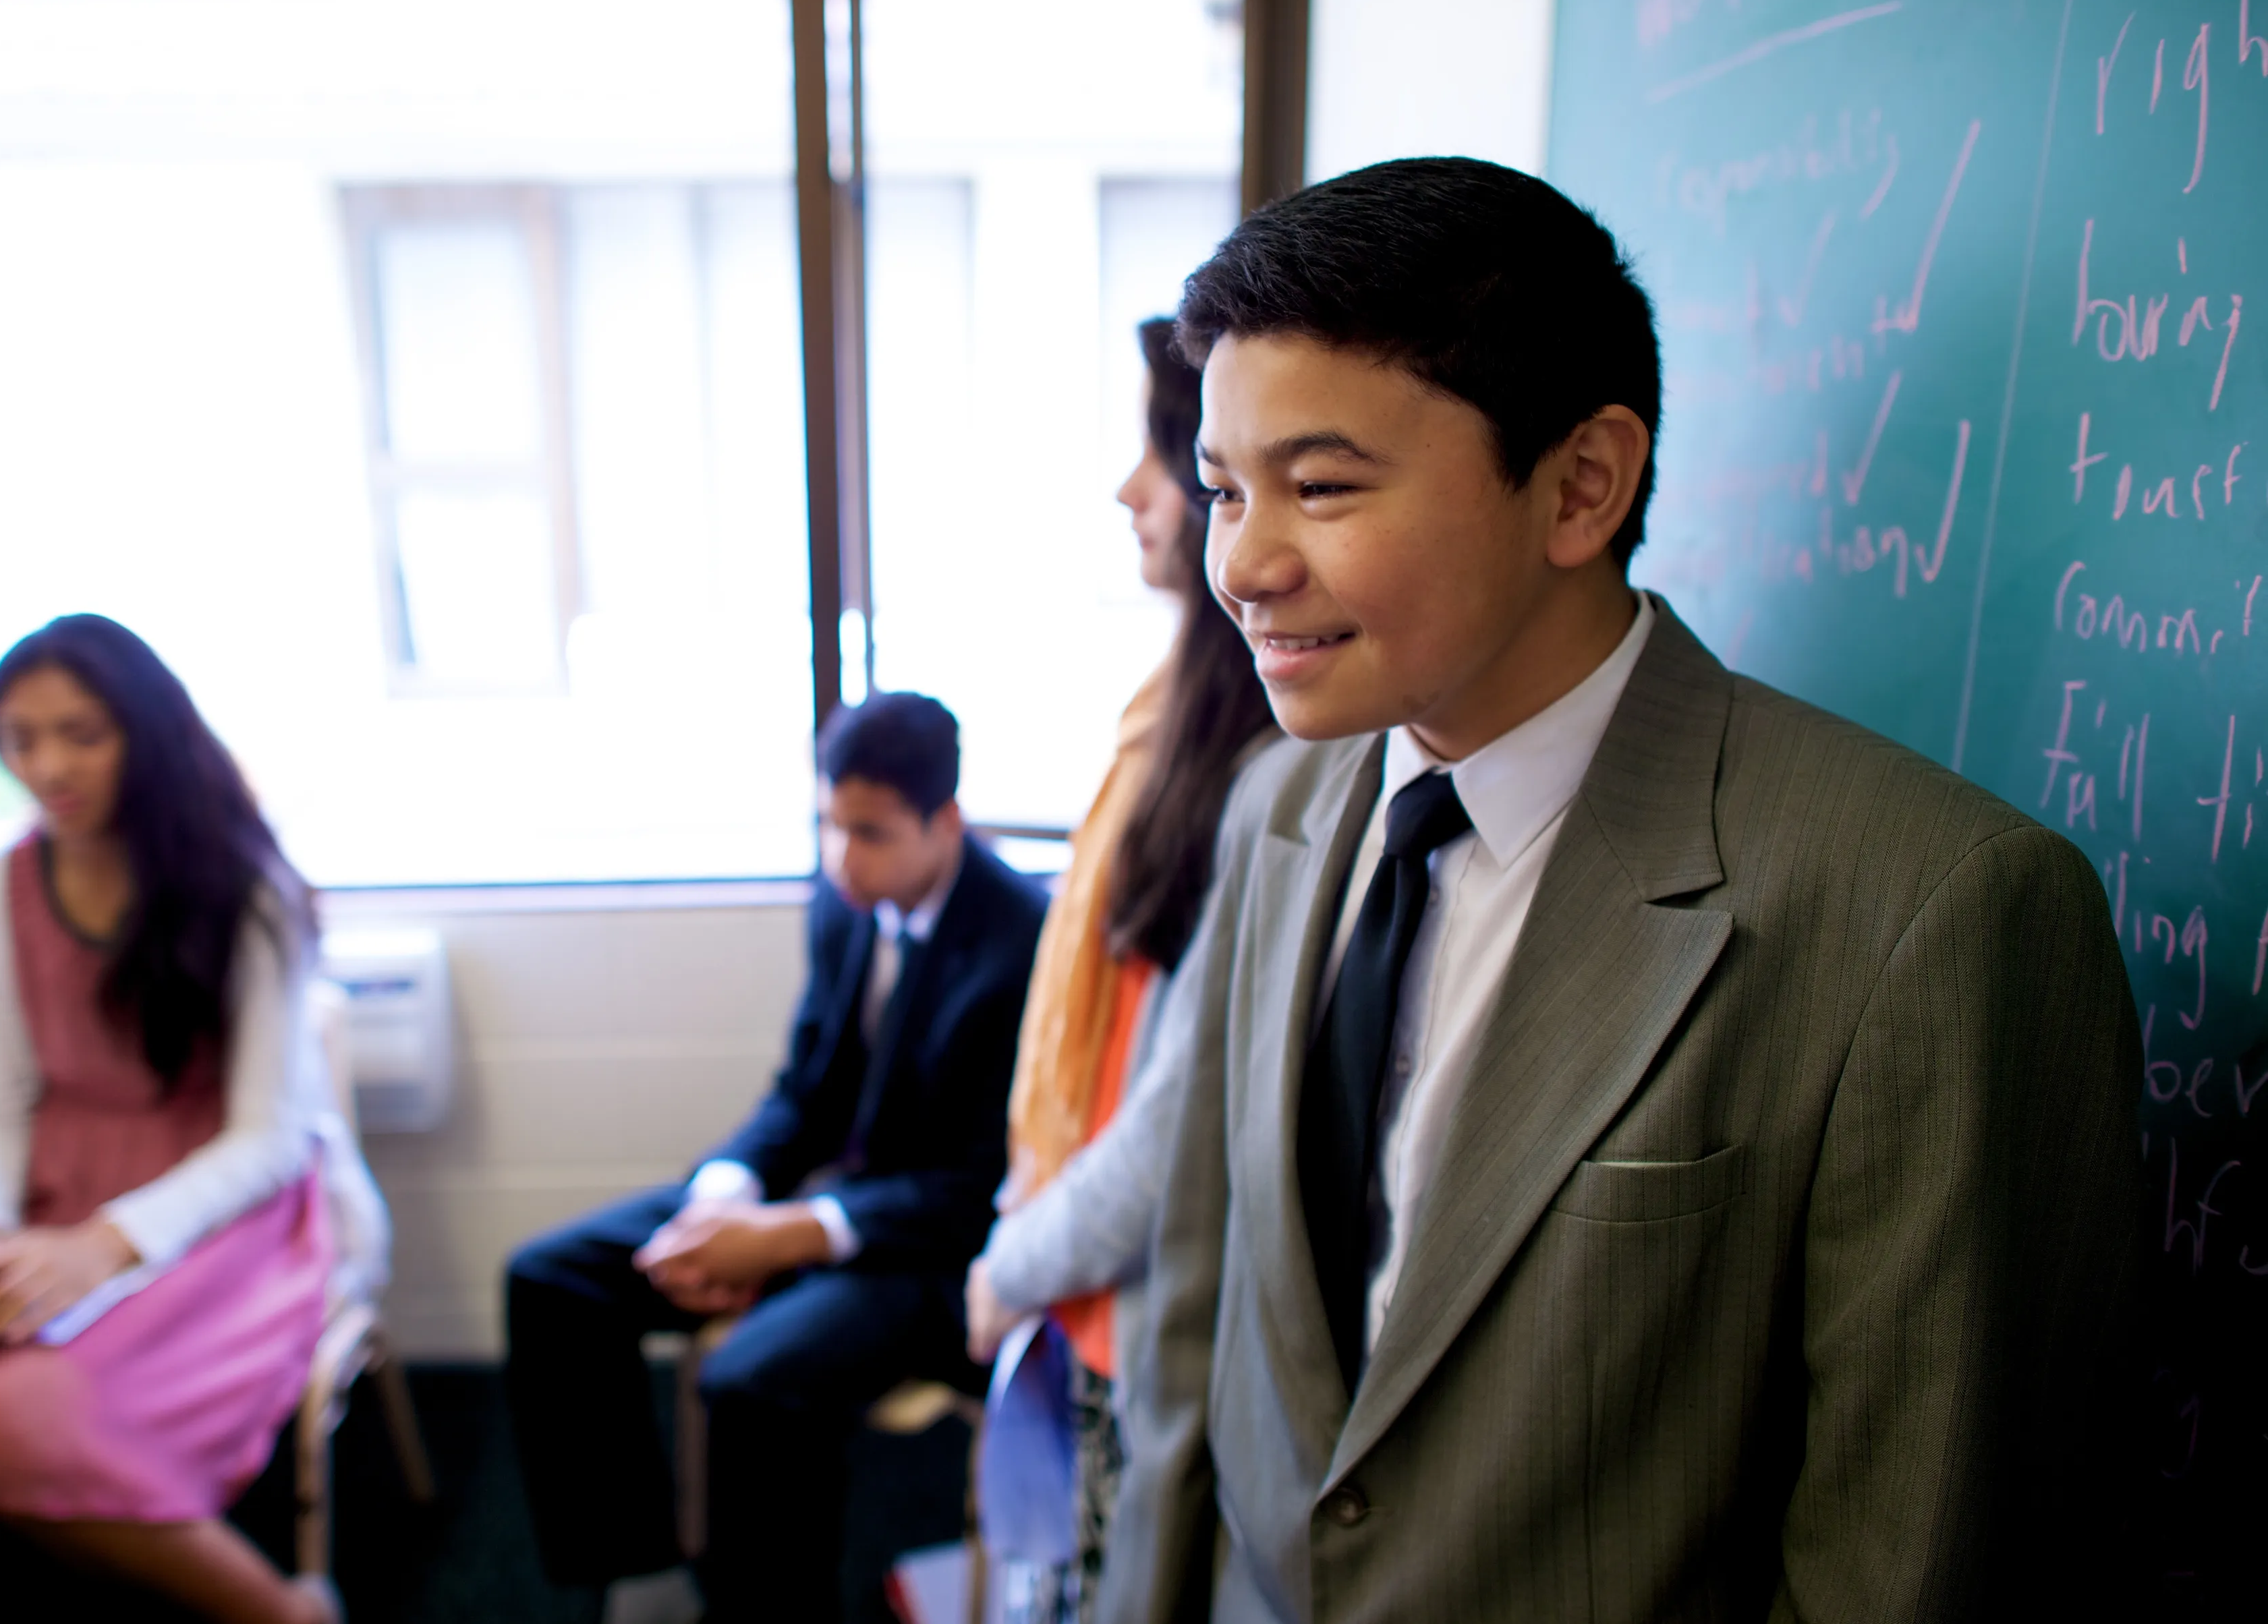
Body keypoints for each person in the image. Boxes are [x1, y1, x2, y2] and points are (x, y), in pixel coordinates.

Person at [1104, 158, 2142, 1622]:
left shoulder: (1930, 909)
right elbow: (1199, 1317)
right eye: (1223, 489)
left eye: (1322, 488)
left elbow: (1911, 1566)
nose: (1246, 565)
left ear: (1581, 484)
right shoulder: (1282, 805)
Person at [0, 614, 371, 1624]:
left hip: (224, 1213)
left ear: (146, 736)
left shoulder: (247, 895)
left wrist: (104, 1248)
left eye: (82, 733)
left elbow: (269, 1138)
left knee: (29, 1422)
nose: (48, 765)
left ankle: (284, 1610)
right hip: (46, 1198)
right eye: (20, 738)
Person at [503, 691, 1048, 1622]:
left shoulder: (1023, 941)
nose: (841, 855)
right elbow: (804, 1094)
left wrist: (790, 1238)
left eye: (869, 832)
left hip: (934, 1253)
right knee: (552, 1282)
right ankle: (639, 1571)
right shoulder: (844, 902)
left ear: (945, 822)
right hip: (822, 1201)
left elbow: (975, 1190)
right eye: (829, 825)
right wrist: (727, 1198)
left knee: (748, 1381)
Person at [961, 317, 1277, 1624]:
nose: (1133, 492)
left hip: (1125, 1283)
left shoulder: (1268, 761)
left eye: (1172, 462)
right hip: (1079, 1263)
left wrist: (1013, 1260)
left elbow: (1174, 1121)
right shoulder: (1175, 712)